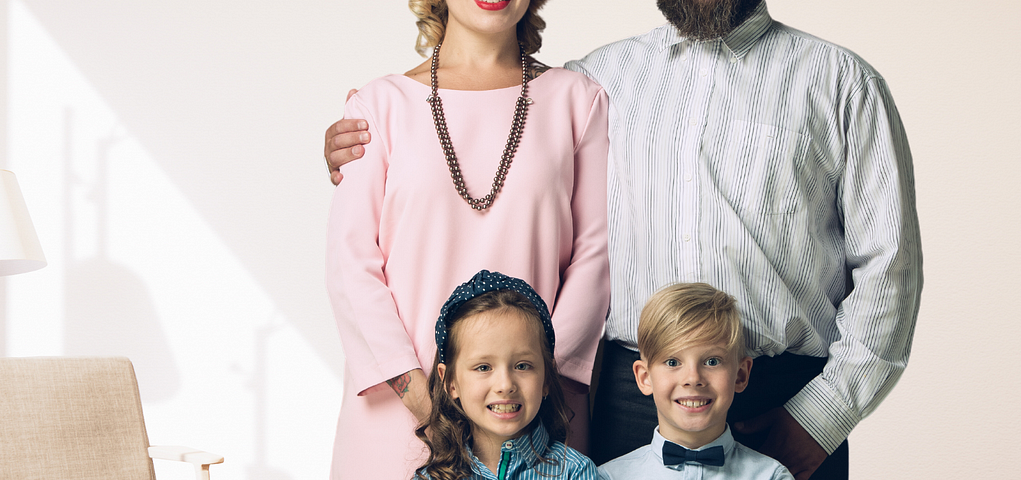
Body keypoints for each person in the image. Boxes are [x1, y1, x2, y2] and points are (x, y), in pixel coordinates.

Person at [326, 0, 922, 478]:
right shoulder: (601, 79)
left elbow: (888, 267)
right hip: (625, 398)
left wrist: (822, 419)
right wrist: (357, 141)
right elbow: (485, 126)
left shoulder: (842, 82)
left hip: (780, 398)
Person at [324, 0, 610, 477]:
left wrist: (525, 393)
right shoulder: (379, 105)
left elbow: (595, 258)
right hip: (397, 416)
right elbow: (351, 265)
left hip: (532, 419)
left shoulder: (579, 101)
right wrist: (427, 408)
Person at [415, 270, 599, 480]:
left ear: (547, 377)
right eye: (483, 368)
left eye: (522, 366)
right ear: (450, 382)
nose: (505, 385)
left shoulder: (577, 473)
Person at [597, 283, 791, 480]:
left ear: (740, 375)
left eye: (712, 361)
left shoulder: (772, 476)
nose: (693, 378)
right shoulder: (608, 477)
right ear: (645, 378)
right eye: (672, 362)